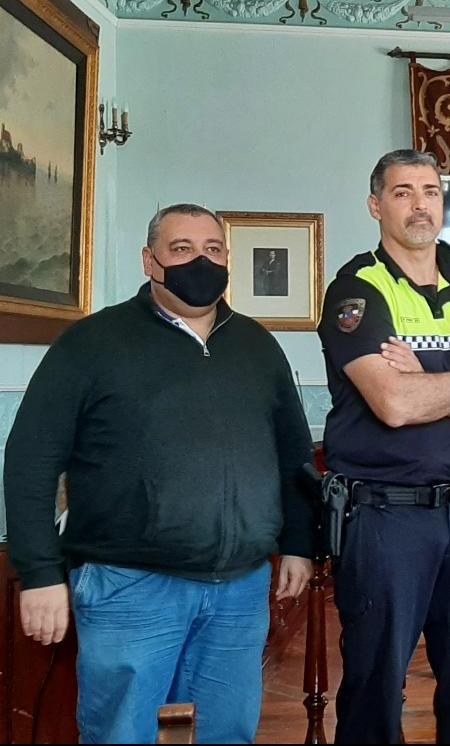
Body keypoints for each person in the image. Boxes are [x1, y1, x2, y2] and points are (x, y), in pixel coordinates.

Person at [3, 203, 316, 744]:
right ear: (150, 261)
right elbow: (31, 458)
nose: (202, 261)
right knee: (121, 734)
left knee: (228, 733)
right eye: (183, 249)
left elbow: (292, 455)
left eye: (214, 250)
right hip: (129, 587)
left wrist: (299, 542)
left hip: (239, 590)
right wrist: (40, 574)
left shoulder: (256, 345)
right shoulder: (91, 343)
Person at [317, 149, 450, 744]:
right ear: (375, 205)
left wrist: (426, 378)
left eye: (431, 191)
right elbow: (396, 406)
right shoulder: (356, 290)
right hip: (387, 516)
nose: (420, 204)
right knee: (376, 680)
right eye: (403, 191)